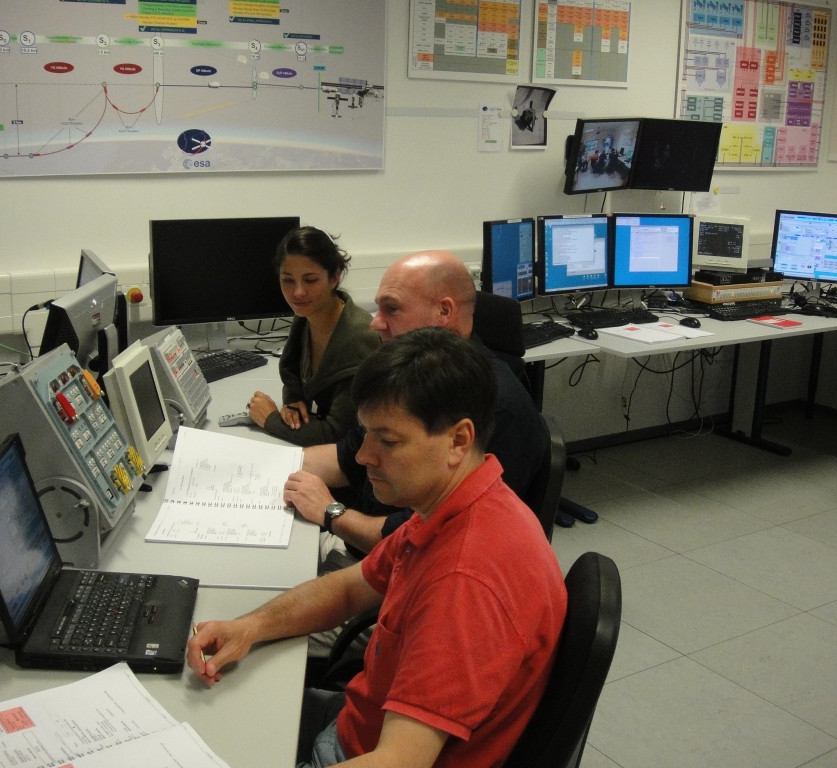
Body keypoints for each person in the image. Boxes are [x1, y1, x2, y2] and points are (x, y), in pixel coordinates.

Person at [187, 328, 567, 767]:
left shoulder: (464, 581)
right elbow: (349, 589)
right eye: (365, 434)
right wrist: (250, 627)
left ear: (459, 441)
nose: (364, 456)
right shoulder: (460, 504)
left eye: (387, 441)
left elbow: (400, 761)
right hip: (362, 721)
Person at [284, 249, 548, 559]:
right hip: (376, 548)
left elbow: (419, 544)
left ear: (444, 313)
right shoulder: (414, 379)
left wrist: (329, 512)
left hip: (405, 564)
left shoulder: (493, 411)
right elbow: (347, 456)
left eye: (391, 309)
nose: (375, 324)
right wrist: (266, 469)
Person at [246, 226, 380, 446]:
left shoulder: (358, 338)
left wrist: (269, 420)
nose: (297, 292)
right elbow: (294, 374)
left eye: (310, 280)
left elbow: (337, 434)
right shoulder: (307, 317)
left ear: (335, 277)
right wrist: (293, 401)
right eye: (288, 280)